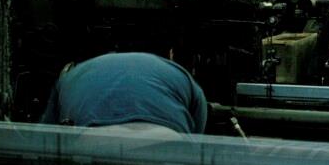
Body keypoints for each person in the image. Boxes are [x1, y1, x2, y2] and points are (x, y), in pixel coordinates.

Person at [41, 51, 207, 136]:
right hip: (167, 141)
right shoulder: (179, 73)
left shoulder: (70, 77)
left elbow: (45, 137)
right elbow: (198, 136)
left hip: (92, 142)